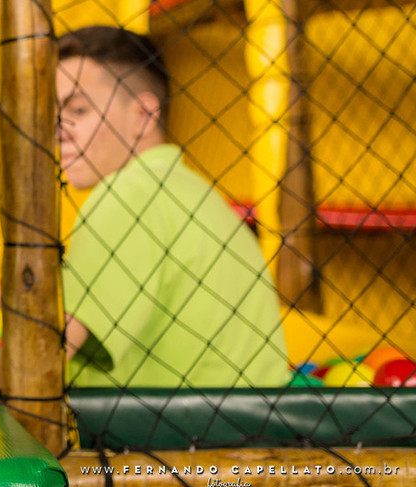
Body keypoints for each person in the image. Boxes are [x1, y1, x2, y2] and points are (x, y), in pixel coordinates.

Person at [57, 26, 289, 388]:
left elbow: (43, 353)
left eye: (78, 110)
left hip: (162, 441)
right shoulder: (197, 195)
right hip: (250, 432)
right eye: (51, 113)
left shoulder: (126, 195)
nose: (59, 129)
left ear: (144, 116)